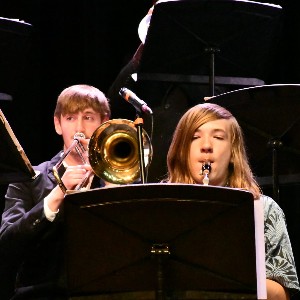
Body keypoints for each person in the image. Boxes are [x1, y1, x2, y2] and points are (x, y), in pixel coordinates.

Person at [165, 102, 300, 299]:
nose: (206, 146)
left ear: (232, 153)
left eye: (218, 137)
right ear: (182, 150)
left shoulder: (264, 209)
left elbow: (283, 294)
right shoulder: (161, 206)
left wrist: (228, 276)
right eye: (195, 137)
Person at [0, 84, 111, 299]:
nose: (79, 128)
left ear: (104, 124)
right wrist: (57, 194)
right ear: (57, 124)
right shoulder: (28, 179)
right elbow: (6, 244)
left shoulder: (118, 177)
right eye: (70, 118)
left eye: (88, 118)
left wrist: (107, 181)